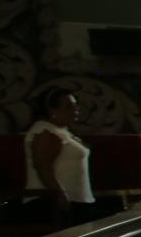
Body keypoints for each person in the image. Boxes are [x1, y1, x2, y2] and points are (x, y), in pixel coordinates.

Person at [25, 88, 96, 225]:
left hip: (76, 200)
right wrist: (59, 194)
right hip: (51, 203)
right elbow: (42, 165)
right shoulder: (44, 130)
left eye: (76, 106)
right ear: (52, 110)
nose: (75, 110)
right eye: (69, 106)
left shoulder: (62, 131)